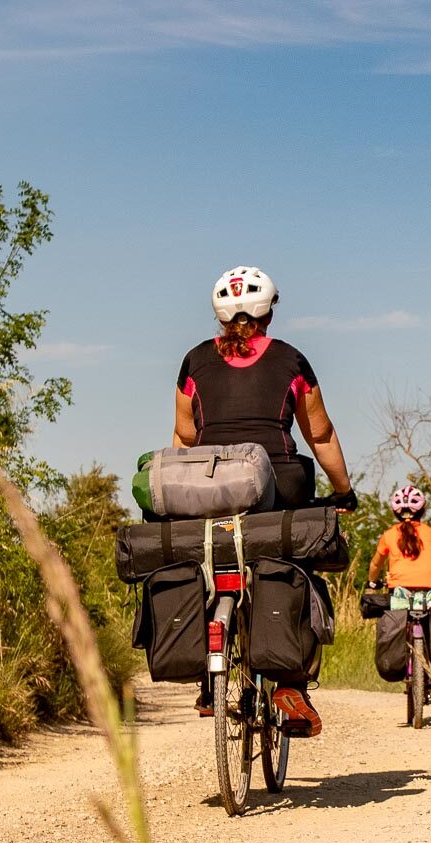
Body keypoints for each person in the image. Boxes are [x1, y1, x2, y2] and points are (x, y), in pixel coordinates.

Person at [175, 264, 355, 735]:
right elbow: (320, 433)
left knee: (207, 559)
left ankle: (207, 667)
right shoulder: (291, 361)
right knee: (295, 563)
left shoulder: (194, 361)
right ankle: (290, 683)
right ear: (268, 313)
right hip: (278, 484)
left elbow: (184, 436)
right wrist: (343, 492)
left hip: (210, 489)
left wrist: (181, 491)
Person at [367, 485, 431, 593]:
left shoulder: (389, 535)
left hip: (398, 590)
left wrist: (372, 582)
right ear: (423, 510)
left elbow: (375, 564)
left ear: (395, 512)